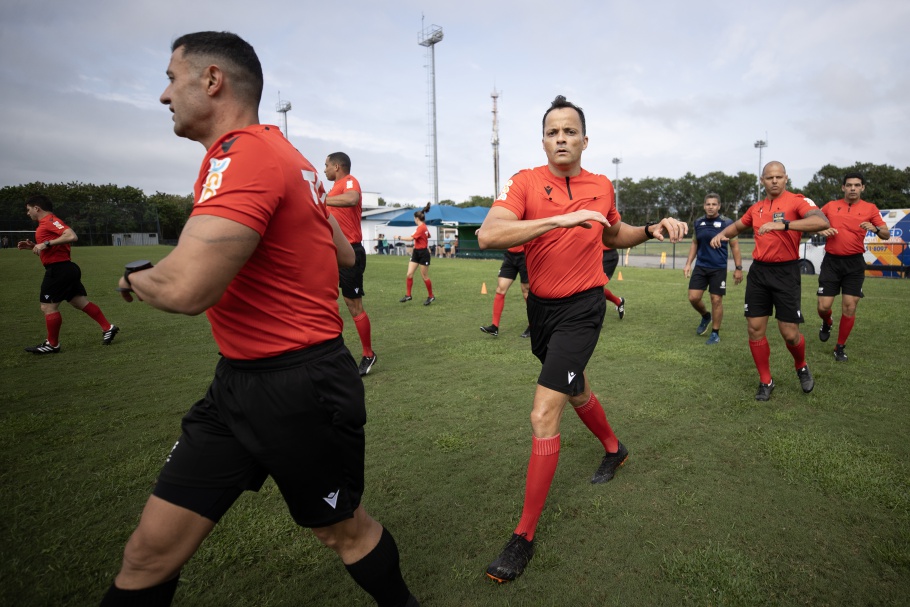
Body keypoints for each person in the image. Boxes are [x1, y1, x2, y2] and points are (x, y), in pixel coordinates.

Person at [101, 32, 418, 607]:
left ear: (212, 80)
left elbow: (187, 288)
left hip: (299, 388)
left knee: (343, 530)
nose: (164, 95)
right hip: (238, 384)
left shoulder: (242, 154)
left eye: (172, 78)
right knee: (148, 554)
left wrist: (131, 277)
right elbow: (345, 254)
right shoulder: (289, 158)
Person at [477, 95, 687, 583]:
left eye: (570, 131)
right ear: (544, 140)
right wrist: (561, 218)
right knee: (577, 390)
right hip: (542, 310)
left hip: (583, 309)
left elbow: (613, 236)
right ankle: (615, 448)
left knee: (543, 411)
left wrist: (652, 230)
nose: (562, 138)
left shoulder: (601, 185)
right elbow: (489, 235)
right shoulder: (525, 182)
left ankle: (522, 537)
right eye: (553, 132)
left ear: (585, 140)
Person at [710, 161, 829, 401]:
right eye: (769, 177)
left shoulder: (798, 201)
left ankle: (801, 365)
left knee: (789, 333)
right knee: (754, 328)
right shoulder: (756, 208)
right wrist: (722, 234)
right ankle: (766, 380)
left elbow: (821, 222)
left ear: (786, 178)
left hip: (786, 272)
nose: (774, 181)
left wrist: (784, 224)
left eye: (778, 177)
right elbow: (739, 225)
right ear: (762, 181)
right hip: (759, 273)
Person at [18, 194, 119, 354]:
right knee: (79, 302)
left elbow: (72, 236)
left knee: (47, 307)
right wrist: (35, 247)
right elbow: (54, 246)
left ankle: (52, 344)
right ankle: (108, 327)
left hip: (59, 270)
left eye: (29, 209)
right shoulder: (46, 223)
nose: (28, 213)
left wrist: (45, 244)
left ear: (37, 208)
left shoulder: (50, 220)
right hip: (65, 268)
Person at [815, 172, 889, 362]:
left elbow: (886, 234)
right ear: (843, 187)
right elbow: (813, 222)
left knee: (849, 307)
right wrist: (821, 229)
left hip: (854, 263)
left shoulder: (870, 209)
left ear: (862, 187)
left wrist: (876, 229)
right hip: (831, 262)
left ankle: (839, 347)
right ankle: (827, 322)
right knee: (823, 307)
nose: (853, 188)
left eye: (857, 185)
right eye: (849, 185)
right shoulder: (831, 206)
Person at [325, 152, 377, 376]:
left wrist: (320, 199)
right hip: (329, 252)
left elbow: (352, 198)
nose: (324, 169)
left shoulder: (348, 181)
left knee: (353, 304)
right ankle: (327, 352)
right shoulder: (332, 190)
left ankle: (368, 354)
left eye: (326, 165)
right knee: (323, 300)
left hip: (351, 252)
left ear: (337, 166)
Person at [683, 193, 743, 345]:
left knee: (716, 300)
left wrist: (738, 268)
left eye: (714, 204)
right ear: (704, 206)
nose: (711, 207)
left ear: (719, 206)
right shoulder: (698, 223)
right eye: (708, 204)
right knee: (693, 298)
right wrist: (689, 263)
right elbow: (694, 244)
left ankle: (715, 333)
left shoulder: (727, 223)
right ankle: (705, 316)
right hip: (701, 267)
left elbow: (734, 246)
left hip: (718, 268)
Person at [480, 243, 531, 338]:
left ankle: (532, 326)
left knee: (526, 291)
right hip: (510, 256)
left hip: (525, 255)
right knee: (500, 289)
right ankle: (494, 327)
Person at [396, 203, 435, 305]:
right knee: (409, 274)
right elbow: (428, 236)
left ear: (417, 218)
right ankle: (408, 295)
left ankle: (431, 296)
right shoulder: (423, 227)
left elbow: (410, 238)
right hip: (416, 252)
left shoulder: (421, 228)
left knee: (424, 276)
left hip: (423, 254)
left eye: (414, 218)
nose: (414, 220)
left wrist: (399, 237)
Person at [601, 244, 625, 320]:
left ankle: (597, 318)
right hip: (595, 254)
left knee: (597, 288)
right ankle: (618, 301)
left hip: (608, 255)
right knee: (593, 288)